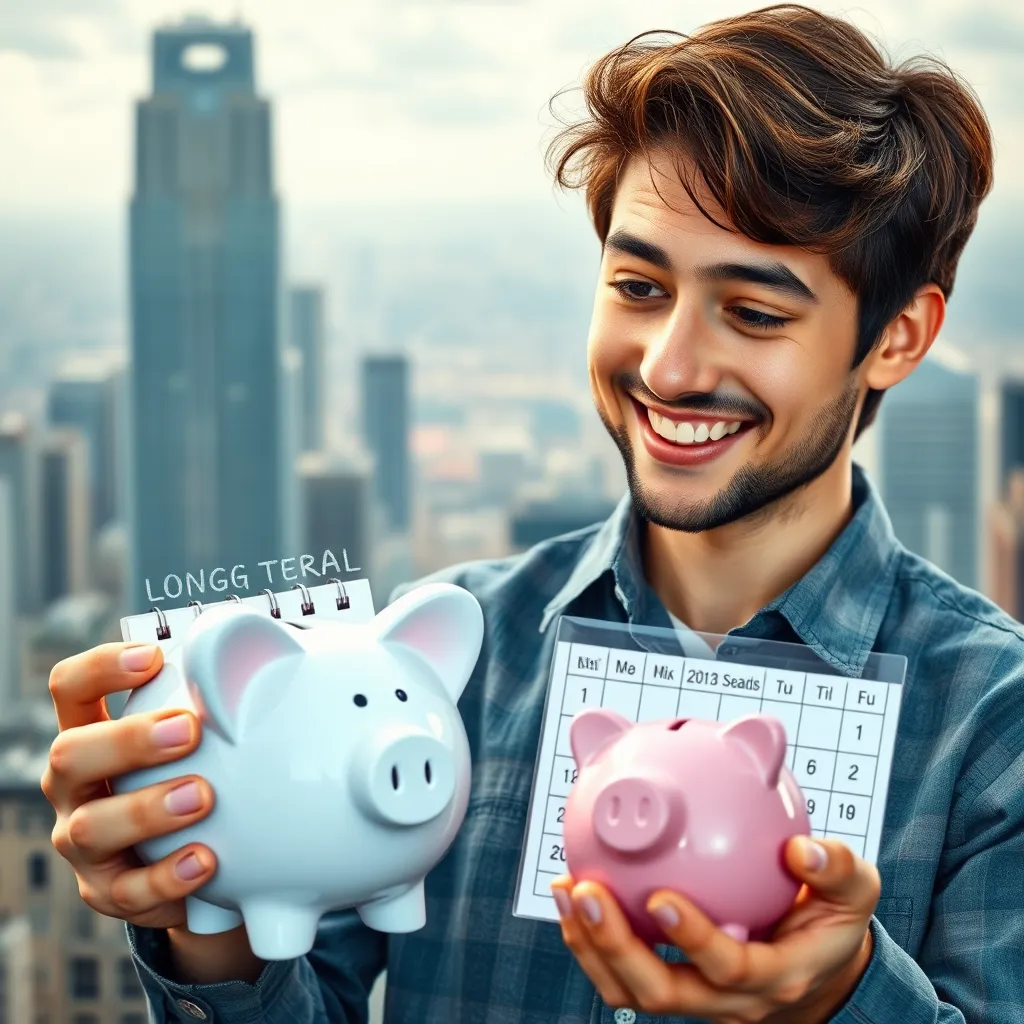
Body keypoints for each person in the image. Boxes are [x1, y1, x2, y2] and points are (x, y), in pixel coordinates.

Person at [41, 4, 1020, 1022]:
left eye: (755, 312)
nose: (670, 366)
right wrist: (204, 884)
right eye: (638, 286)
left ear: (898, 337)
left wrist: (843, 999)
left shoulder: (995, 724)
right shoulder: (446, 656)